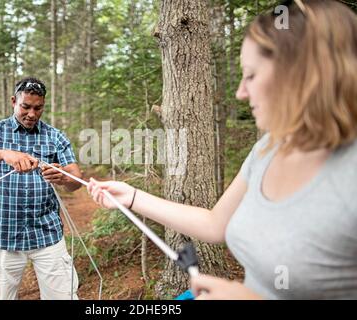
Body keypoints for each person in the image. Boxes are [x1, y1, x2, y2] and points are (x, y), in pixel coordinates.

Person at [87, 0, 357, 299]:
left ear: (305, 76)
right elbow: (216, 224)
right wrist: (132, 196)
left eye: (252, 75)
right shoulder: (268, 149)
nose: (241, 92)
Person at [0, 77, 82, 300]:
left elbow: (75, 180)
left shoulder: (55, 136)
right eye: (25, 106)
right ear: (14, 101)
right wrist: (3, 153)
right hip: (4, 236)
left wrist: (62, 176)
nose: (32, 114)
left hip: (47, 235)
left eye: (38, 108)